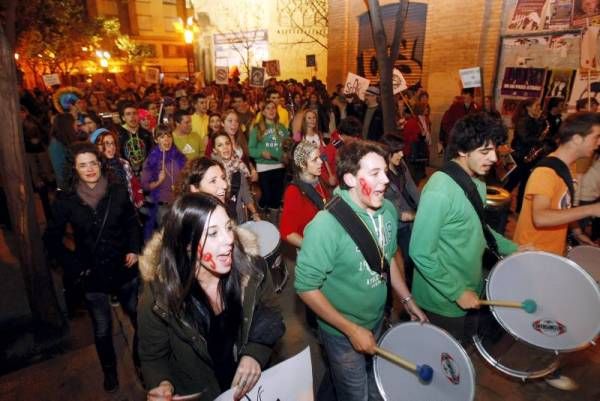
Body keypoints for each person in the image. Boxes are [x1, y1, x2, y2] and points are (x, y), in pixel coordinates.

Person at [295, 140, 427, 401]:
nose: (386, 180)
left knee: (371, 382)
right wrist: (351, 329)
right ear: (350, 179)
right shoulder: (326, 226)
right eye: (375, 173)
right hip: (341, 333)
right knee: (356, 394)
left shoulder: (388, 211)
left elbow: (386, 260)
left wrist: (407, 299)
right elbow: (305, 287)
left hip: (376, 320)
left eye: (385, 172)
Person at [138, 193, 285, 401]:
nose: (228, 240)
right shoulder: (158, 296)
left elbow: (271, 313)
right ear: (187, 244)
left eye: (228, 227)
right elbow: (153, 356)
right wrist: (162, 384)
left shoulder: (253, 269)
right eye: (213, 233)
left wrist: (255, 352)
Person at [409, 113, 520, 344]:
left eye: (494, 150)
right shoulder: (439, 191)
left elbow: (479, 228)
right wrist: (457, 291)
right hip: (443, 300)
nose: (493, 158)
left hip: (469, 287)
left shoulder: (477, 181)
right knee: (444, 361)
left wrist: (515, 248)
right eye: (484, 151)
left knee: (465, 347)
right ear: (462, 150)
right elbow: (420, 252)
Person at [44, 142, 141, 393]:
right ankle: (109, 372)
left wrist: (133, 248)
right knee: (102, 327)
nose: (89, 169)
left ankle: (143, 365)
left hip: (124, 268)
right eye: (82, 165)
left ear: (101, 164)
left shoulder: (117, 191)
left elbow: (132, 223)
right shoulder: (66, 201)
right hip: (93, 274)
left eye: (93, 163)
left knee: (139, 319)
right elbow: (51, 240)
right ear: (74, 169)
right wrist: (74, 265)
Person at [514, 112, 600, 254]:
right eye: (596, 137)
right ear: (577, 139)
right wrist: (592, 209)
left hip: (550, 252)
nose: (599, 143)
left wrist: (577, 232)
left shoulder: (569, 167)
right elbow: (540, 218)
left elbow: (562, 207)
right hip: (532, 253)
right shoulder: (546, 172)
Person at [380, 135, 420, 286]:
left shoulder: (401, 164)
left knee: (410, 256)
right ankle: (388, 299)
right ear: (387, 153)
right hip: (390, 221)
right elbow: (386, 201)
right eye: (397, 151)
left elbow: (412, 188)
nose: (402, 154)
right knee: (386, 260)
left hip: (406, 220)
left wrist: (424, 206)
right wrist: (403, 215)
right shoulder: (381, 172)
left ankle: (411, 288)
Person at [280, 141, 331, 248]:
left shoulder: (320, 178)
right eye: (314, 159)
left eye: (320, 157)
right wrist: (311, 248)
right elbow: (287, 233)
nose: (321, 162)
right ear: (303, 165)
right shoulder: (293, 192)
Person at [141, 124, 187, 239]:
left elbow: (188, 176)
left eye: (168, 136)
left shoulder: (179, 157)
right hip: (163, 207)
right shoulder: (151, 160)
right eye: (162, 137)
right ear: (156, 140)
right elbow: (145, 186)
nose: (166, 140)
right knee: (167, 239)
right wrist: (159, 181)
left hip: (179, 204)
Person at [248, 101, 290, 219]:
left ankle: (273, 219)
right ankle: (260, 208)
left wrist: (287, 155)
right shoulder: (257, 128)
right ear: (263, 112)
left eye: (273, 108)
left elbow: (287, 146)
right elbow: (250, 149)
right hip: (263, 167)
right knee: (267, 195)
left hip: (279, 166)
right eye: (268, 108)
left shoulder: (282, 127)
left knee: (277, 196)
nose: (271, 111)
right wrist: (261, 153)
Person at [504, 98, 546, 212]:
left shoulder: (534, 120)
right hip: (520, 155)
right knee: (512, 183)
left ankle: (519, 208)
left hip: (529, 156)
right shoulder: (523, 121)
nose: (539, 108)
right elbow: (525, 138)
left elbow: (540, 133)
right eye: (536, 105)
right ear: (528, 108)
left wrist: (540, 120)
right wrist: (539, 141)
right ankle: (501, 205)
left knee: (525, 184)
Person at [211, 132, 261, 224]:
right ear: (214, 150)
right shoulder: (211, 171)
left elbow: (245, 193)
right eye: (220, 145)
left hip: (238, 217)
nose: (225, 147)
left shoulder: (239, 166)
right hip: (219, 220)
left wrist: (254, 213)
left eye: (227, 143)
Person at [96, 130, 144, 210]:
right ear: (97, 146)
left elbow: (133, 182)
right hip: (109, 212)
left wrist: (139, 198)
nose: (111, 147)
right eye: (106, 144)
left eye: (113, 143)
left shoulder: (123, 163)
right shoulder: (96, 168)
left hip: (128, 207)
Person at [116, 100, 154, 176]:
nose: (132, 117)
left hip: (146, 174)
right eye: (128, 114)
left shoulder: (146, 133)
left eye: (135, 113)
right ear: (123, 118)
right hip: (126, 175)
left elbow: (152, 154)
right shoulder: (117, 134)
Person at [48, 112, 78, 190]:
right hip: (68, 188)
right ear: (67, 125)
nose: (76, 124)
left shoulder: (65, 139)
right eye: (74, 122)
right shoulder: (56, 144)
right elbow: (60, 171)